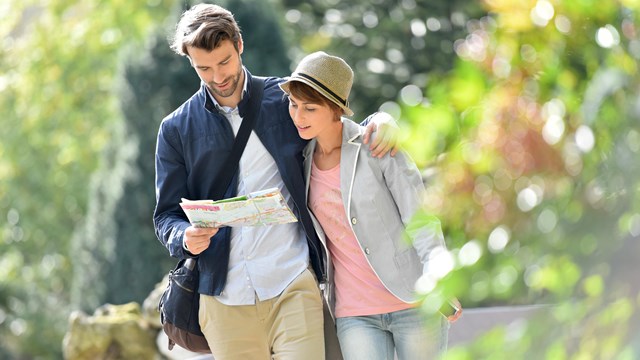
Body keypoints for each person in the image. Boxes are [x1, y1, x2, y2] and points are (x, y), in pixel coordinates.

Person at [153, 4, 399, 360]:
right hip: (224, 299)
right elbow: (165, 217)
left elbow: (337, 125)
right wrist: (184, 237)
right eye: (203, 68)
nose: (217, 76)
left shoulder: (284, 99)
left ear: (239, 44)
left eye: (223, 62)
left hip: (291, 282)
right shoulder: (176, 129)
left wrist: (382, 120)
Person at [279, 51, 462, 360]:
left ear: (336, 109)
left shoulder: (377, 145)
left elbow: (419, 216)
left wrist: (439, 276)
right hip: (354, 313)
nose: (298, 116)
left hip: (413, 301)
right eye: (293, 106)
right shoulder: (301, 162)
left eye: (310, 108)